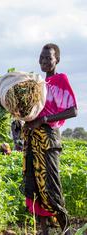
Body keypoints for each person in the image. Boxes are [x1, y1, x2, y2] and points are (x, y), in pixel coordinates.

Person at [23, 43, 77, 235]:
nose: (45, 61)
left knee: (51, 187)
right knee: (34, 186)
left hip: (49, 139)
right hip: (32, 139)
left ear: (57, 60)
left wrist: (44, 120)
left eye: (49, 58)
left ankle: (67, 231)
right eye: (42, 57)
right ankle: (43, 231)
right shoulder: (37, 84)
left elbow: (73, 110)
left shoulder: (60, 80)